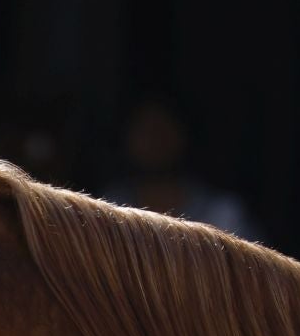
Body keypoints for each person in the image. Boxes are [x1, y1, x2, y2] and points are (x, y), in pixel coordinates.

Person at [102, 97, 256, 240]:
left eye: (162, 130)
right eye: (145, 131)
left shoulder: (223, 215)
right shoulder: (109, 212)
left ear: (182, 134)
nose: (155, 141)